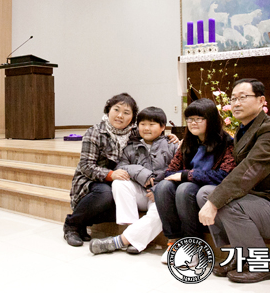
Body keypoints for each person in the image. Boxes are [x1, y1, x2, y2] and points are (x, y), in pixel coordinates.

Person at [197, 78, 270, 283]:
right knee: (204, 193)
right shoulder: (244, 129)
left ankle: (262, 264)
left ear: (261, 101)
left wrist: (215, 202)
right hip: (259, 201)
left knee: (222, 202)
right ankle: (235, 256)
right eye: (233, 99)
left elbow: (248, 172)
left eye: (243, 97)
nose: (236, 103)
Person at [88, 107, 178, 255]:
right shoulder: (131, 147)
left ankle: (121, 241)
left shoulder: (172, 145)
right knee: (119, 182)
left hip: (162, 193)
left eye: (152, 124)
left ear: (163, 127)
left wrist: (158, 188)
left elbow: (179, 170)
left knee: (162, 208)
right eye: (142, 124)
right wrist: (141, 173)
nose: (146, 128)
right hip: (141, 191)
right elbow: (122, 167)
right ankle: (132, 232)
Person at [155, 98, 236, 264]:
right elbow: (171, 171)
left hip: (209, 189)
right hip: (190, 185)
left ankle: (194, 246)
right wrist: (183, 176)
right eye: (190, 119)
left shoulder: (226, 143)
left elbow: (224, 175)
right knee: (163, 187)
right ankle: (173, 242)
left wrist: (187, 175)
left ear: (211, 119)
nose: (193, 123)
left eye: (199, 119)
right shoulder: (188, 142)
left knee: (185, 188)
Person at [64, 93, 139, 247]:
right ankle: (72, 225)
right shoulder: (95, 132)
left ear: (132, 117)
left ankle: (82, 223)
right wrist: (111, 175)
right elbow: (86, 166)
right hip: (90, 180)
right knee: (105, 194)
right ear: (108, 111)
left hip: (120, 182)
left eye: (126, 113)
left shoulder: (135, 133)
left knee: (124, 199)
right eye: (116, 110)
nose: (120, 116)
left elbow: (153, 139)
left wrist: (171, 139)